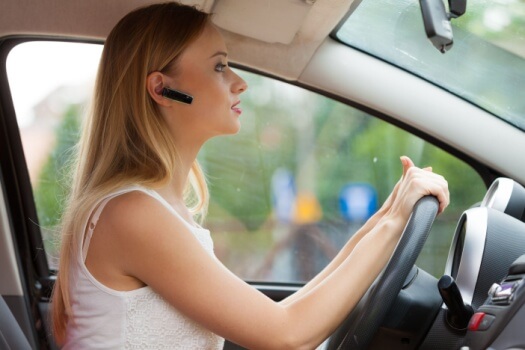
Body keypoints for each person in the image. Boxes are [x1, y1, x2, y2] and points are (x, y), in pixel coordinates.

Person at [51, 2, 449, 349]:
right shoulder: (133, 213)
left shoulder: (154, 209)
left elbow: (284, 315)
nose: (239, 82)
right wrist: (394, 222)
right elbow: (287, 334)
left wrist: (388, 216)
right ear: (162, 89)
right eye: (220, 66)